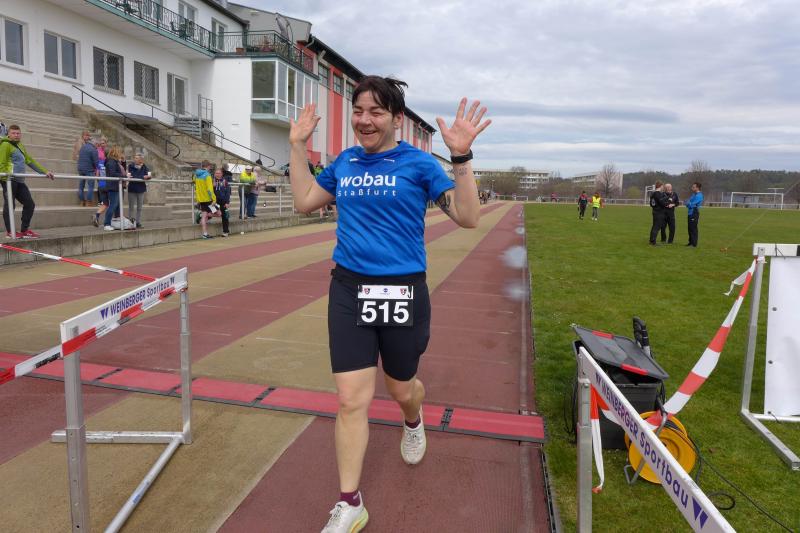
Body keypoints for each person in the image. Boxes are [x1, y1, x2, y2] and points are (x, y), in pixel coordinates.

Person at [288, 76, 490, 533]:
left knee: (402, 389)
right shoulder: (344, 163)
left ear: (397, 119)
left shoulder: (418, 164)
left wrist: (461, 158)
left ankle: (413, 419)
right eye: (358, 110)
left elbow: (468, 217)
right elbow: (304, 201)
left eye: (376, 112)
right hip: (349, 289)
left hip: (402, 291)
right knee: (350, 400)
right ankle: (350, 502)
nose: (365, 120)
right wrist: (297, 146)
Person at [0, 125, 54, 239]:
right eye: (13, 133)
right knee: (10, 205)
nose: (16, 135)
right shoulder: (5, 145)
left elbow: (29, 161)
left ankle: (24, 230)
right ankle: (10, 232)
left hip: (19, 181)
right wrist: (6, 179)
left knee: (29, 204)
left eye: (18, 133)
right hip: (9, 181)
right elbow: (1, 163)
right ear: (8, 134)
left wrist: (45, 171)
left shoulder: (20, 145)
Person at [102, 146, 126, 231]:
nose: (121, 154)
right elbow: (113, 174)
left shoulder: (113, 161)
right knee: (113, 205)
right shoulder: (111, 162)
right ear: (116, 153)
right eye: (120, 152)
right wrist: (124, 176)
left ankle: (113, 222)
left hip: (115, 186)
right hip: (113, 186)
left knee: (116, 205)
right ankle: (106, 224)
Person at [194, 160, 217, 239]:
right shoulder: (207, 175)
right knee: (219, 213)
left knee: (204, 216)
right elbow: (210, 189)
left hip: (201, 199)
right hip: (208, 199)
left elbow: (193, 181)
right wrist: (214, 199)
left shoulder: (196, 174)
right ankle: (201, 215)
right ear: (208, 166)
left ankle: (205, 233)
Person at [126, 153, 150, 229]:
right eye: (135, 158)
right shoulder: (130, 166)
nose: (135, 159)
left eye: (137, 158)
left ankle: (138, 222)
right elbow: (132, 176)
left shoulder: (144, 166)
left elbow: (148, 175)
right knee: (131, 207)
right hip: (132, 188)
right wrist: (143, 177)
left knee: (139, 207)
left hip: (141, 189)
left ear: (141, 160)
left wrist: (148, 177)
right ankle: (130, 223)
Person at [77, 135, 99, 208]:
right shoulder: (93, 149)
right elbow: (96, 162)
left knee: (81, 186)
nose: (97, 147)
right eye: (97, 145)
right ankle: (88, 202)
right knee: (91, 186)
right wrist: (98, 169)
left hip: (80, 169)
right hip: (89, 169)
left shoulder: (83, 147)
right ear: (95, 143)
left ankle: (82, 201)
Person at [213, 167, 231, 237]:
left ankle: (226, 231)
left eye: (219, 173)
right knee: (210, 213)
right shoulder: (211, 181)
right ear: (214, 174)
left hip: (223, 201)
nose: (217, 174)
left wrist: (227, 202)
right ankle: (200, 216)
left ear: (222, 174)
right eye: (216, 173)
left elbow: (228, 192)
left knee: (225, 216)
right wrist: (213, 186)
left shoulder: (224, 181)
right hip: (214, 201)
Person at [648, 181, 668, 245]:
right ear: (661, 186)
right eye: (662, 186)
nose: (663, 187)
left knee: (654, 226)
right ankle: (653, 241)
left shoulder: (653, 194)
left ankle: (651, 240)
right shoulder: (658, 194)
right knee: (657, 227)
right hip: (659, 212)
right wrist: (666, 203)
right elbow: (662, 203)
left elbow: (651, 204)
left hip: (654, 211)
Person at [685, 182, 703, 247]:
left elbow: (692, 204)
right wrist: (688, 203)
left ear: (697, 188)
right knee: (689, 228)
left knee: (693, 228)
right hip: (690, 213)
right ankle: (690, 242)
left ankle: (694, 244)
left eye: (693, 187)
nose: (692, 188)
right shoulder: (693, 194)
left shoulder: (699, 195)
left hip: (694, 213)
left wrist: (689, 204)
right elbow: (688, 202)